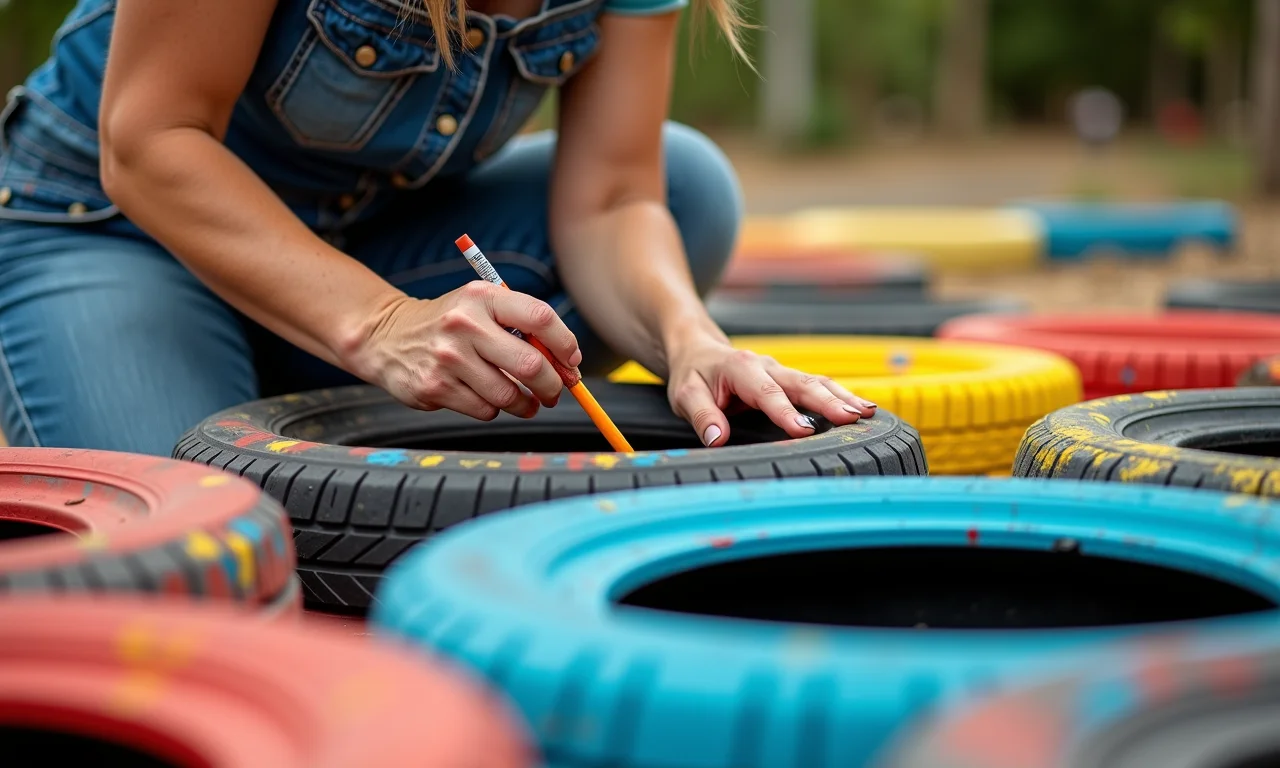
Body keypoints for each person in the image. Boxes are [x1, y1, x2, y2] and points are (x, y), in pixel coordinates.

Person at [0, 0, 877, 457]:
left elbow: (613, 198)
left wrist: (691, 343)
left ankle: (273, 374)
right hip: (109, 229)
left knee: (688, 188)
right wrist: (383, 324)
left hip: (359, 245)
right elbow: (150, 140)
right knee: (212, 544)